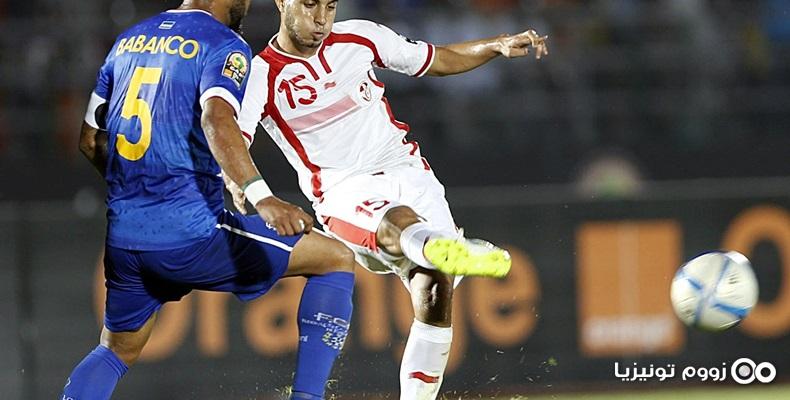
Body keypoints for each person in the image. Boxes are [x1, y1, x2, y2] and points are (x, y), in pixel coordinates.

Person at [233, 0, 548, 398]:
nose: (320, 18)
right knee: (400, 223)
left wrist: (495, 45)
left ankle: (440, 256)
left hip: (408, 172)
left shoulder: (360, 37)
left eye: (329, 6)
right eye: (309, 4)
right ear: (282, 2)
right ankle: (443, 247)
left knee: (435, 290)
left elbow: (436, 58)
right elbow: (234, 140)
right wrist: (247, 187)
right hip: (343, 191)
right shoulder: (261, 74)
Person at [62, 1, 357, 399]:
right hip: (190, 234)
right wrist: (263, 197)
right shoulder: (223, 43)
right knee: (335, 258)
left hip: (126, 240)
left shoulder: (128, 41)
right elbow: (216, 118)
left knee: (115, 351)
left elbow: (89, 140)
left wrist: (141, 192)